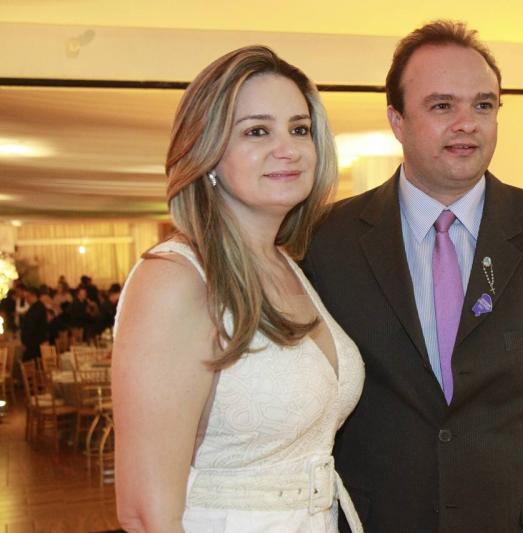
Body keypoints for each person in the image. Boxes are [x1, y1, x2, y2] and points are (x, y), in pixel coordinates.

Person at [305, 21, 523, 533]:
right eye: (442, 106)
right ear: (397, 120)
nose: (467, 124)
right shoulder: (325, 241)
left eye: (483, 105)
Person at [112, 45, 364, 533]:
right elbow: (145, 514)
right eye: (257, 131)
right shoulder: (175, 280)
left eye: (299, 129)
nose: (288, 148)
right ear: (206, 153)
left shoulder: (289, 265)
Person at [20, 286, 48, 361]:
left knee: (28, 363)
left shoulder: (37, 308)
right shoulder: (36, 307)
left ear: (33, 295)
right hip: (34, 342)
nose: (26, 299)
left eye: (27, 296)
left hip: (34, 343)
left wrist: (25, 340)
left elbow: (31, 326)